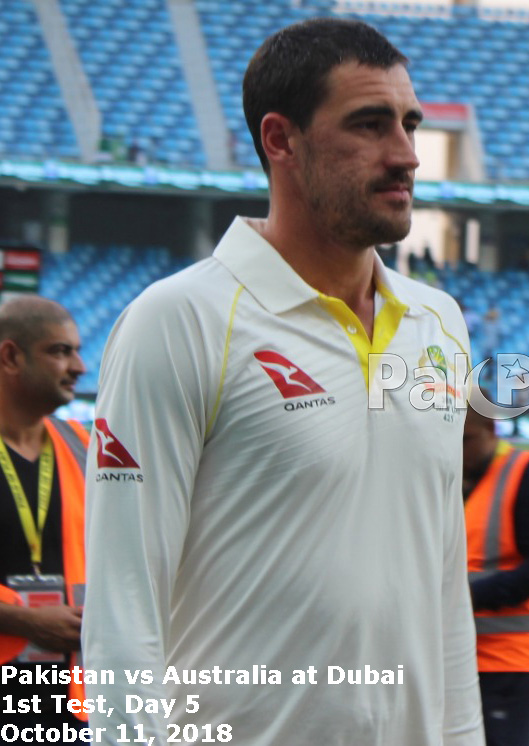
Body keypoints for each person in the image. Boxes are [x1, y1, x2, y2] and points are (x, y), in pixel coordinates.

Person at [82, 19, 483, 746]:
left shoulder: (439, 322)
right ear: (280, 140)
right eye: (369, 124)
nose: (406, 155)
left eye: (410, 124)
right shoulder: (179, 320)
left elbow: (442, 581)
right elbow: (121, 613)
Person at [0, 297, 90, 734]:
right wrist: (18, 618)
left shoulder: (85, 447)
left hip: (68, 705)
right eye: (60, 351)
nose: (79, 366)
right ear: (11, 356)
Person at [462, 403, 529, 746]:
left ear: (492, 430)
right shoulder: (442, 477)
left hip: (510, 656)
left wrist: (469, 597)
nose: (458, 451)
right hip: (451, 653)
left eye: (467, 440)